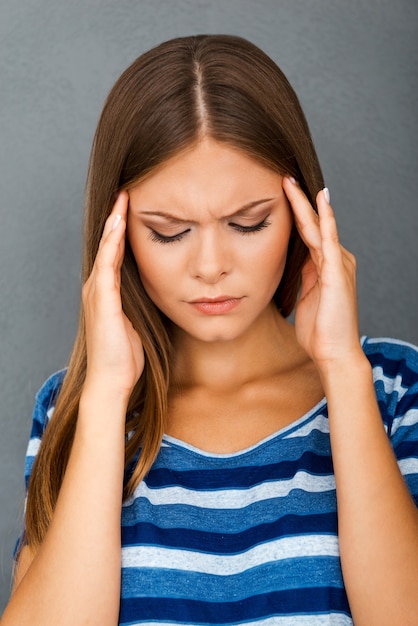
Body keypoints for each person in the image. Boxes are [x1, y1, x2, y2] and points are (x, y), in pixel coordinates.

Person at [2, 34, 417, 626]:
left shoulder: (396, 391)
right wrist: (105, 398)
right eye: (169, 232)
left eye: (248, 223)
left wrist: (342, 370)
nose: (210, 265)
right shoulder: (75, 408)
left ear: (302, 215)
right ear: (115, 238)